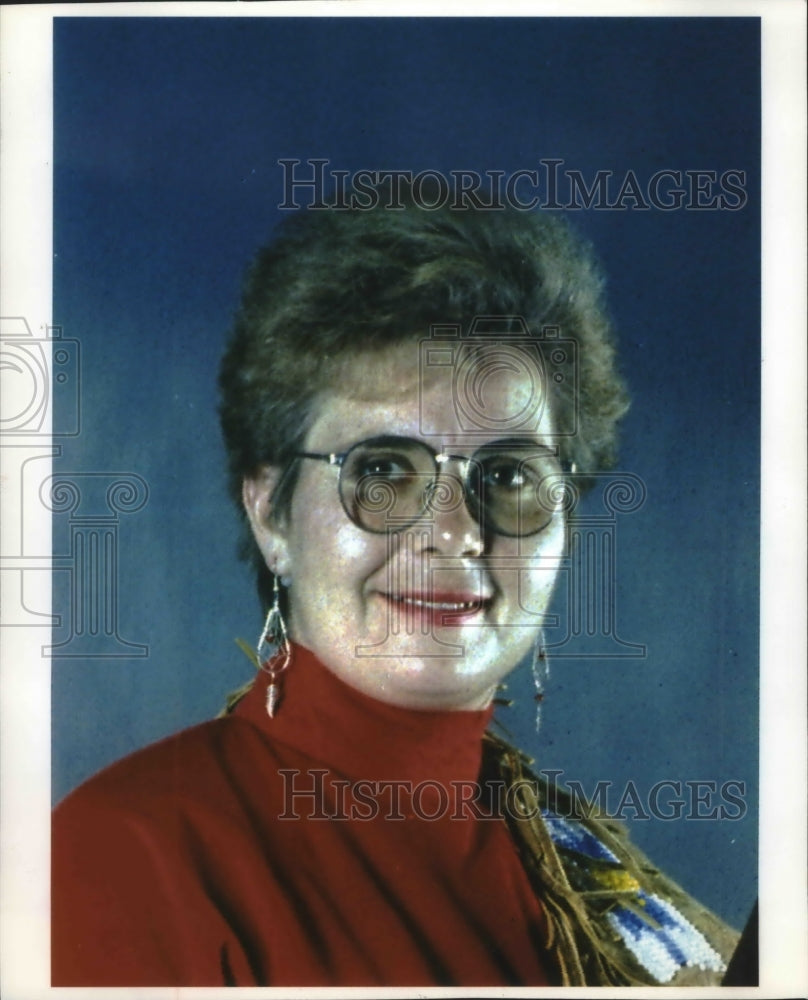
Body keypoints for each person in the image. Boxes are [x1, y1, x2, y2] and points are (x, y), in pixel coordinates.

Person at [52, 185, 740, 986]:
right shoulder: (126, 856)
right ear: (271, 515)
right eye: (381, 470)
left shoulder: (576, 861)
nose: (454, 530)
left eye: (511, 474)